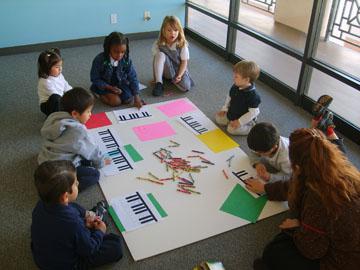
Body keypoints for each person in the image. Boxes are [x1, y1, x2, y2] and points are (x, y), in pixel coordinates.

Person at [252, 128, 360, 270]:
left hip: (345, 261)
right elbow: (293, 185)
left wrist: (299, 227)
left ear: (297, 167)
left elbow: (312, 251)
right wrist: (266, 189)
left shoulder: (318, 198)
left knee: (274, 251)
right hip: (346, 237)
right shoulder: (340, 167)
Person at [31, 160, 123, 269]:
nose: (78, 183)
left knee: (73, 208)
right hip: (64, 265)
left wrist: (83, 222)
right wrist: (99, 232)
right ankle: (94, 223)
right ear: (65, 196)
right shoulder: (74, 224)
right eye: (75, 183)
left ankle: (91, 218)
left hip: (41, 256)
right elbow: (89, 249)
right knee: (116, 246)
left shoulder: (40, 204)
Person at [38, 87, 110, 191]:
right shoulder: (78, 130)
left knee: (84, 157)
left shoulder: (54, 116)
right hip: (61, 171)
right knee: (94, 175)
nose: (91, 114)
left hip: (45, 161)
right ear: (75, 114)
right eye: (88, 111)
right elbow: (92, 151)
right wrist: (101, 162)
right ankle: (65, 190)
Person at [90, 31, 143, 108]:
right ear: (108, 48)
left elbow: (133, 77)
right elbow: (95, 78)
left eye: (123, 52)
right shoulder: (99, 60)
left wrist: (137, 97)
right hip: (104, 85)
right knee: (116, 102)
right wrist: (110, 88)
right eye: (116, 52)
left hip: (120, 83)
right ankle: (98, 93)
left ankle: (116, 94)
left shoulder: (126, 59)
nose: (119, 55)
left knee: (128, 99)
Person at [215, 60, 261, 135]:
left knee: (231, 130)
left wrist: (240, 122)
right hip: (233, 113)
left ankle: (252, 128)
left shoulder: (253, 96)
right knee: (218, 118)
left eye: (236, 77)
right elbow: (229, 97)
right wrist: (224, 109)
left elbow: (254, 112)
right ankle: (231, 121)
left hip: (245, 119)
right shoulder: (235, 86)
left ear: (246, 80)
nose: (233, 78)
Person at [152, 15, 194, 96]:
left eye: (175, 30)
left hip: (178, 69)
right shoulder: (158, 44)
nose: (173, 33)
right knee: (160, 54)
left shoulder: (182, 45)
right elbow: (155, 60)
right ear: (163, 31)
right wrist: (155, 78)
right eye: (169, 30)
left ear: (179, 31)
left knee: (186, 87)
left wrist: (180, 75)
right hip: (166, 69)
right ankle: (159, 83)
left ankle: (171, 79)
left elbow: (184, 62)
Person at [37, 48, 72, 116]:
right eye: (57, 67)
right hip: (48, 105)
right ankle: (54, 116)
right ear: (47, 68)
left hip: (60, 99)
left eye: (61, 66)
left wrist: (74, 94)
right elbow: (56, 95)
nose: (60, 68)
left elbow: (66, 86)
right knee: (56, 98)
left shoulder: (60, 75)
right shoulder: (45, 82)